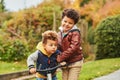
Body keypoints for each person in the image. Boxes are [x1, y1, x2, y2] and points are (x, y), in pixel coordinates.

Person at [57, 8, 84, 80]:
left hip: (75, 63)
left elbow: (73, 48)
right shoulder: (59, 33)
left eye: (70, 23)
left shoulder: (75, 33)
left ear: (74, 24)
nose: (66, 24)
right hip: (65, 63)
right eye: (65, 21)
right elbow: (57, 47)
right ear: (62, 20)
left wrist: (60, 57)